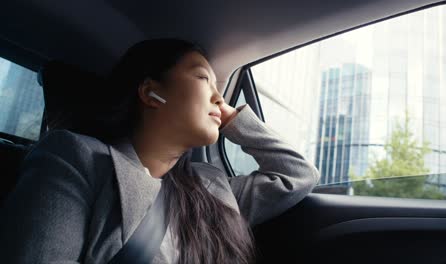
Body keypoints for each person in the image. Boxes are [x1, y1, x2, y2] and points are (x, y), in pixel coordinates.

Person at [0, 38, 320, 264]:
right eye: (202, 78)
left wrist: (235, 121)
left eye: (219, 91)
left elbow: (297, 175)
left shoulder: (214, 187)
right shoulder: (75, 156)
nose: (219, 98)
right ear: (152, 92)